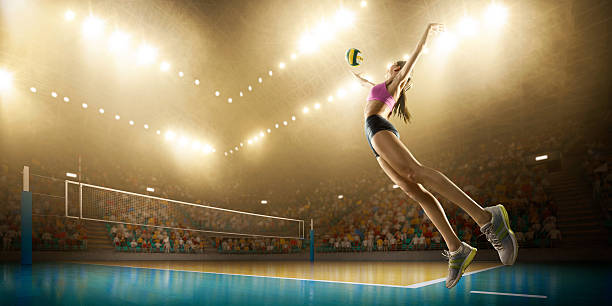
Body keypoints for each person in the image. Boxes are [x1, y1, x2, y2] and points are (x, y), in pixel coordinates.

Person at [352, 23, 518, 289]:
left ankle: (487, 219)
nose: (397, 69)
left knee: (414, 172)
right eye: (395, 67)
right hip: (372, 139)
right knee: (416, 192)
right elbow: (371, 85)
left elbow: (413, 58)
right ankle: (456, 249)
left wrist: (426, 34)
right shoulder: (381, 86)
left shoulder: (396, 82)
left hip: (377, 127)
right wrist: (359, 78)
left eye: (400, 69)